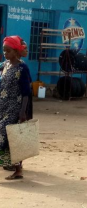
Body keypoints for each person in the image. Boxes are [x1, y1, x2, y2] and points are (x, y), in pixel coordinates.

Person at [0, 36, 31, 180]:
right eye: (4, 50)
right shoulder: (5, 65)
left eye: (8, 51)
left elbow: (26, 92)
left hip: (15, 108)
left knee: (5, 135)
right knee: (12, 139)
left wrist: (23, 112)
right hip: (3, 106)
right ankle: (17, 169)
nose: (5, 53)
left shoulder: (22, 68)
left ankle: (17, 169)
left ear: (16, 51)